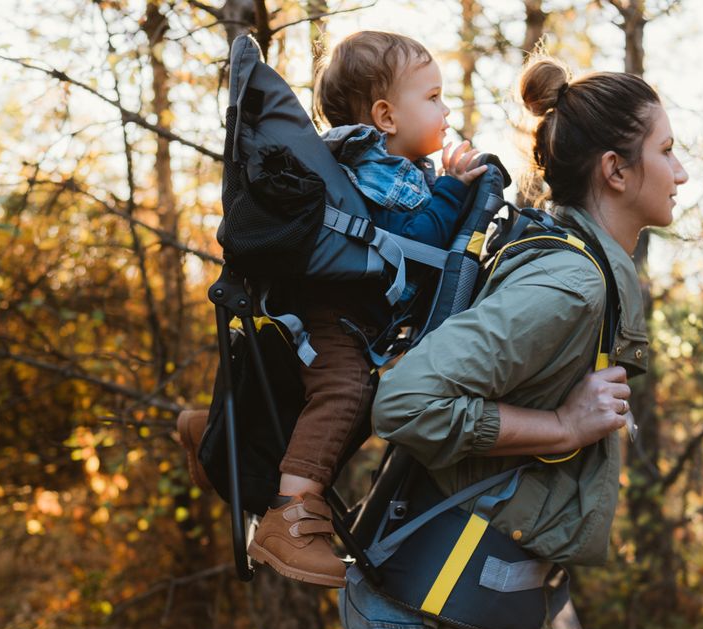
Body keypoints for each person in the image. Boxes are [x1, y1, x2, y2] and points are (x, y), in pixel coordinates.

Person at [339, 55, 688, 629]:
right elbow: (405, 401)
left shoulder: (581, 264)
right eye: (666, 151)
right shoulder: (570, 282)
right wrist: (564, 427)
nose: (681, 172)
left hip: (451, 618)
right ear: (615, 171)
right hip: (432, 627)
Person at [178, 30, 489, 589]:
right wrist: (454, 191)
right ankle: (289, 521)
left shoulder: (385, 164)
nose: (446, 109)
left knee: (356, 399)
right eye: (435, 96)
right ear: (386, 116)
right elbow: (407, 240)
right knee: (345, 394)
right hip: (333, 319)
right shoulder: (376, 164)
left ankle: (221, 437)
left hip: (337, 316)